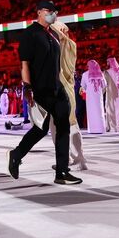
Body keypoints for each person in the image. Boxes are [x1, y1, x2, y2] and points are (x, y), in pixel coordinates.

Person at [6, 0, 82, 186]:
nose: (53, 14)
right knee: (41, 129)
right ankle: (17, 154)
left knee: (63, 127)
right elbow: (24, 64)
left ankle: (62, 171)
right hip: (40, 88)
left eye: (55, 11)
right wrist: (27, 87)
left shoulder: (53, 35)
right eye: (49, 11)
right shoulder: (30, 34)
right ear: (39, 12)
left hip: (58, 88)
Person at [48, 21, 87, 170]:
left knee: (62, 127)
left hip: (59, 91)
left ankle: (71, 159)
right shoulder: (69, 46)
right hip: (64, 91)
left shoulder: (61, 47)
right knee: (68, 125)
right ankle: (75, 158)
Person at [82, 60, 107, 133]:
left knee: (91, 112)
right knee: (99, 111)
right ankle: (101, 129)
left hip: (90, 97)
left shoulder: (85, 74)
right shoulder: (100, 74)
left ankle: (92, 129)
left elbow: (83, 86)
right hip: (98, 96)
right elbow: (104, 85)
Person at [103, 57, 119, 132]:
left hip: (111, 94)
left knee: (110, 109)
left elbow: (104, 85)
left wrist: (101, 93)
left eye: (108, 62)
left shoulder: (107, 73)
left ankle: (112, 127)